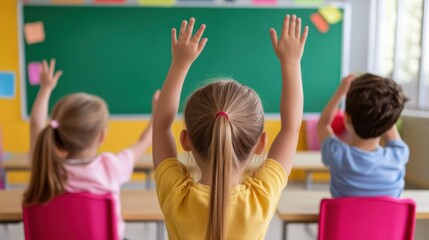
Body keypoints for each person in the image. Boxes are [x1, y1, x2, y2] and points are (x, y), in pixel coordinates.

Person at [153, 16, 308, 239]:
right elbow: (291, 128)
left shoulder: (176, 195)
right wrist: (291, 63)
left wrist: (179, 64)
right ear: (261, 144)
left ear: (185, 140)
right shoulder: (261, 197)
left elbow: (160, 127)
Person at [23, 59, 158, 239]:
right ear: (102, 136)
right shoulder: (111, 167)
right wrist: (157, 113)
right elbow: (144, 141)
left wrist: (45, 89)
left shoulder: (45, 166)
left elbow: (36, 125)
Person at [317, 73, 409, 197]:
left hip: (346, 217)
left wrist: (340, 91)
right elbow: (388, 122)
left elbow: (323, 124)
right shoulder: (398, 155)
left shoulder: (337, 154)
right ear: (390, 123)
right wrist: (384, 109)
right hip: (386, 217)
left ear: (347, 118)